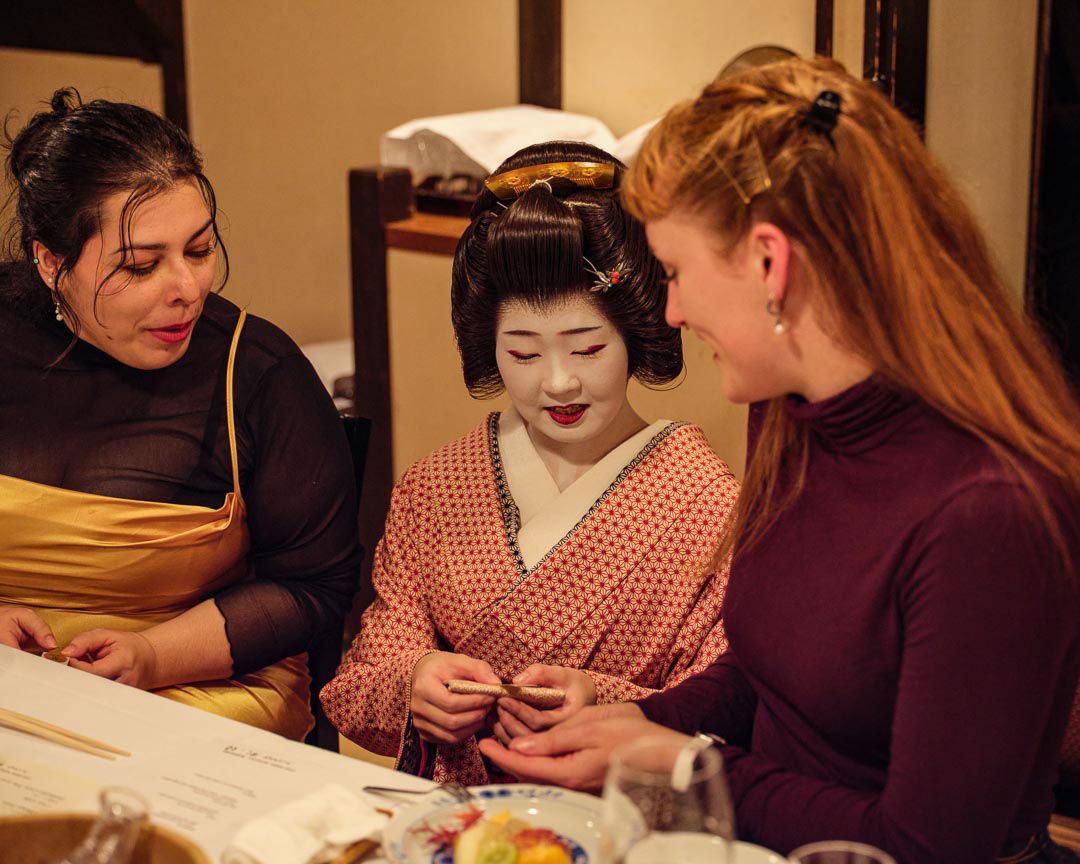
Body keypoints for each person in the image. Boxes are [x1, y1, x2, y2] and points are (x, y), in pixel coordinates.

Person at [480, 59, 1080, 864]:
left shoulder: (988, 509)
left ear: (771, 263)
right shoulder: (790, 412)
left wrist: (688, 766)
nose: (673, 310)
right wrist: (645, 720)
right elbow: (775, 674)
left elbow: (928, 847)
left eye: (678, 272)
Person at [320, 142, 739, 785]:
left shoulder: (707, 503)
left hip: (621, 828)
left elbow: (727, 709)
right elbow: (360, 681)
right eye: (522, 354)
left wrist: (604, 702)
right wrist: (416, 685)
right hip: (458, 828)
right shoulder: (435, 487)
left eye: (588, 347)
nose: (559, 383)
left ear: (636, 334)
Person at [0, 89, 360, 740]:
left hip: (191, 689)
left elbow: (313, 588)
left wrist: (152, 655)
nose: (188, 289)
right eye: (141, 266)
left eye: (198, 251)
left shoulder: (257, 372)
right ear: (50, 260)